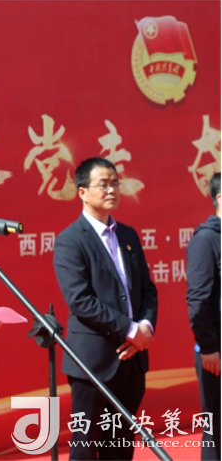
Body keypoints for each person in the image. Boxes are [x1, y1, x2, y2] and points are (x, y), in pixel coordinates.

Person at [53, 157, 158, 460]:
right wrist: (130, 329)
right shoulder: (70, 241)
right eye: (103, 184)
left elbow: (147, 290)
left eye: (115, 183)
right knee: (85, 448)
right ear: (82, 192)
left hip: (131, 361)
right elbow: (80, 301)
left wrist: (146, 327)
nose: (112, 189)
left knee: (121, 447)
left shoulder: (128, 235)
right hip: (92, 364)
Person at [186, 172, 220, 461]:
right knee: (217, 431)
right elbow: (198, 300)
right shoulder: (206, 240)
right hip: (216, 353)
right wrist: (209, 348)